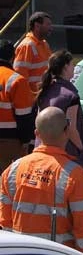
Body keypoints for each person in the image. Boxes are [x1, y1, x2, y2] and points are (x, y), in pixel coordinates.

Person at [0, 106, 83, 255]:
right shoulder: (75, 175)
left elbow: (5, 222)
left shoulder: (13, 170)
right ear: (66, 132)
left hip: (20, 251)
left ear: (37, 134)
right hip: (56, 251)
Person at [36, 50, 83, 170]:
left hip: (43, 148)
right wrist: (82, 149)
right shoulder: (70, 95)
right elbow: (71, 128)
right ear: (65, 67)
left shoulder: (45, 91)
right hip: (65, 151)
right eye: (72, 64)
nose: (74, 67)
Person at [0, 40, 34, 171]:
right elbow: (24, 116)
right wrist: (26, 141)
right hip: (9, 142)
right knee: (8, 182)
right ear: (12, 57)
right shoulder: (17, 80)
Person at [13, 11, 52, 93]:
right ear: (37, 26)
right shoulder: (26, 46)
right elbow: (20, 75)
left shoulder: (44, 44)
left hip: (43, 93)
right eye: (48, 24)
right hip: (32, 97)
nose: (51, 28)